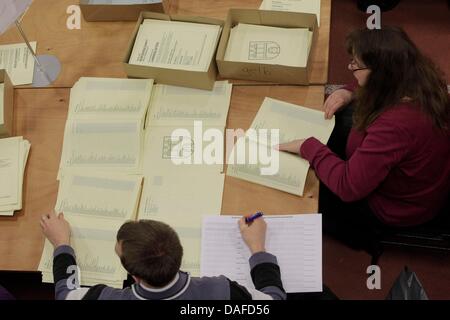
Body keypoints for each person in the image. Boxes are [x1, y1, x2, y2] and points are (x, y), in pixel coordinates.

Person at [277, 26, 450, 251]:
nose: (350, 68)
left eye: (356, 65)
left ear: (379, 74)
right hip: (420, 183)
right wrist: (348, 91)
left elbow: (349, 187)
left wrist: (307, 146)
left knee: (306, 195)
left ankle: (362, 236)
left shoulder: (395, 126)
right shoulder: (418, 76)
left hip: (395, 208)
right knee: (339, 125)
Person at [40, 211, 286, 300]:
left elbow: (66, 294)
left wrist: (61, 243)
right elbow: (274, 298)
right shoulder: (222, 291)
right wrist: (258, 248)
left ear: (134, 277)